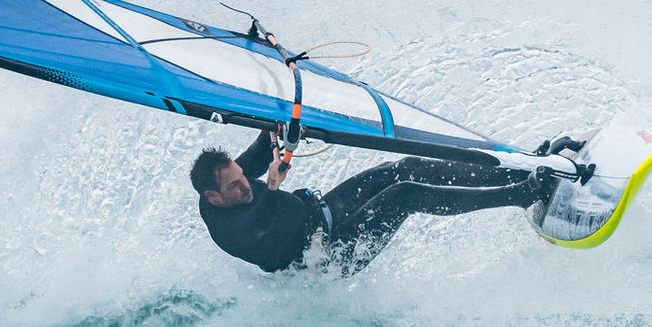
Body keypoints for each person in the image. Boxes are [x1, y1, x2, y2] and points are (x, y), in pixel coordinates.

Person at [190, 130, 582, 275]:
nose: (245, 184)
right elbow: (261, 222)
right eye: (236, 187)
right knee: (403, 195)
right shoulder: (227, 228)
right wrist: (271, 188)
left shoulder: (229, 177)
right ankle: (523, 194)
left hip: (324, 212)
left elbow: (261, 150)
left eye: (244, 179)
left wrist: (277, 125)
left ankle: (518, 169)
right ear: (213, 197)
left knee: (402, 167)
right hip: (327, 258)